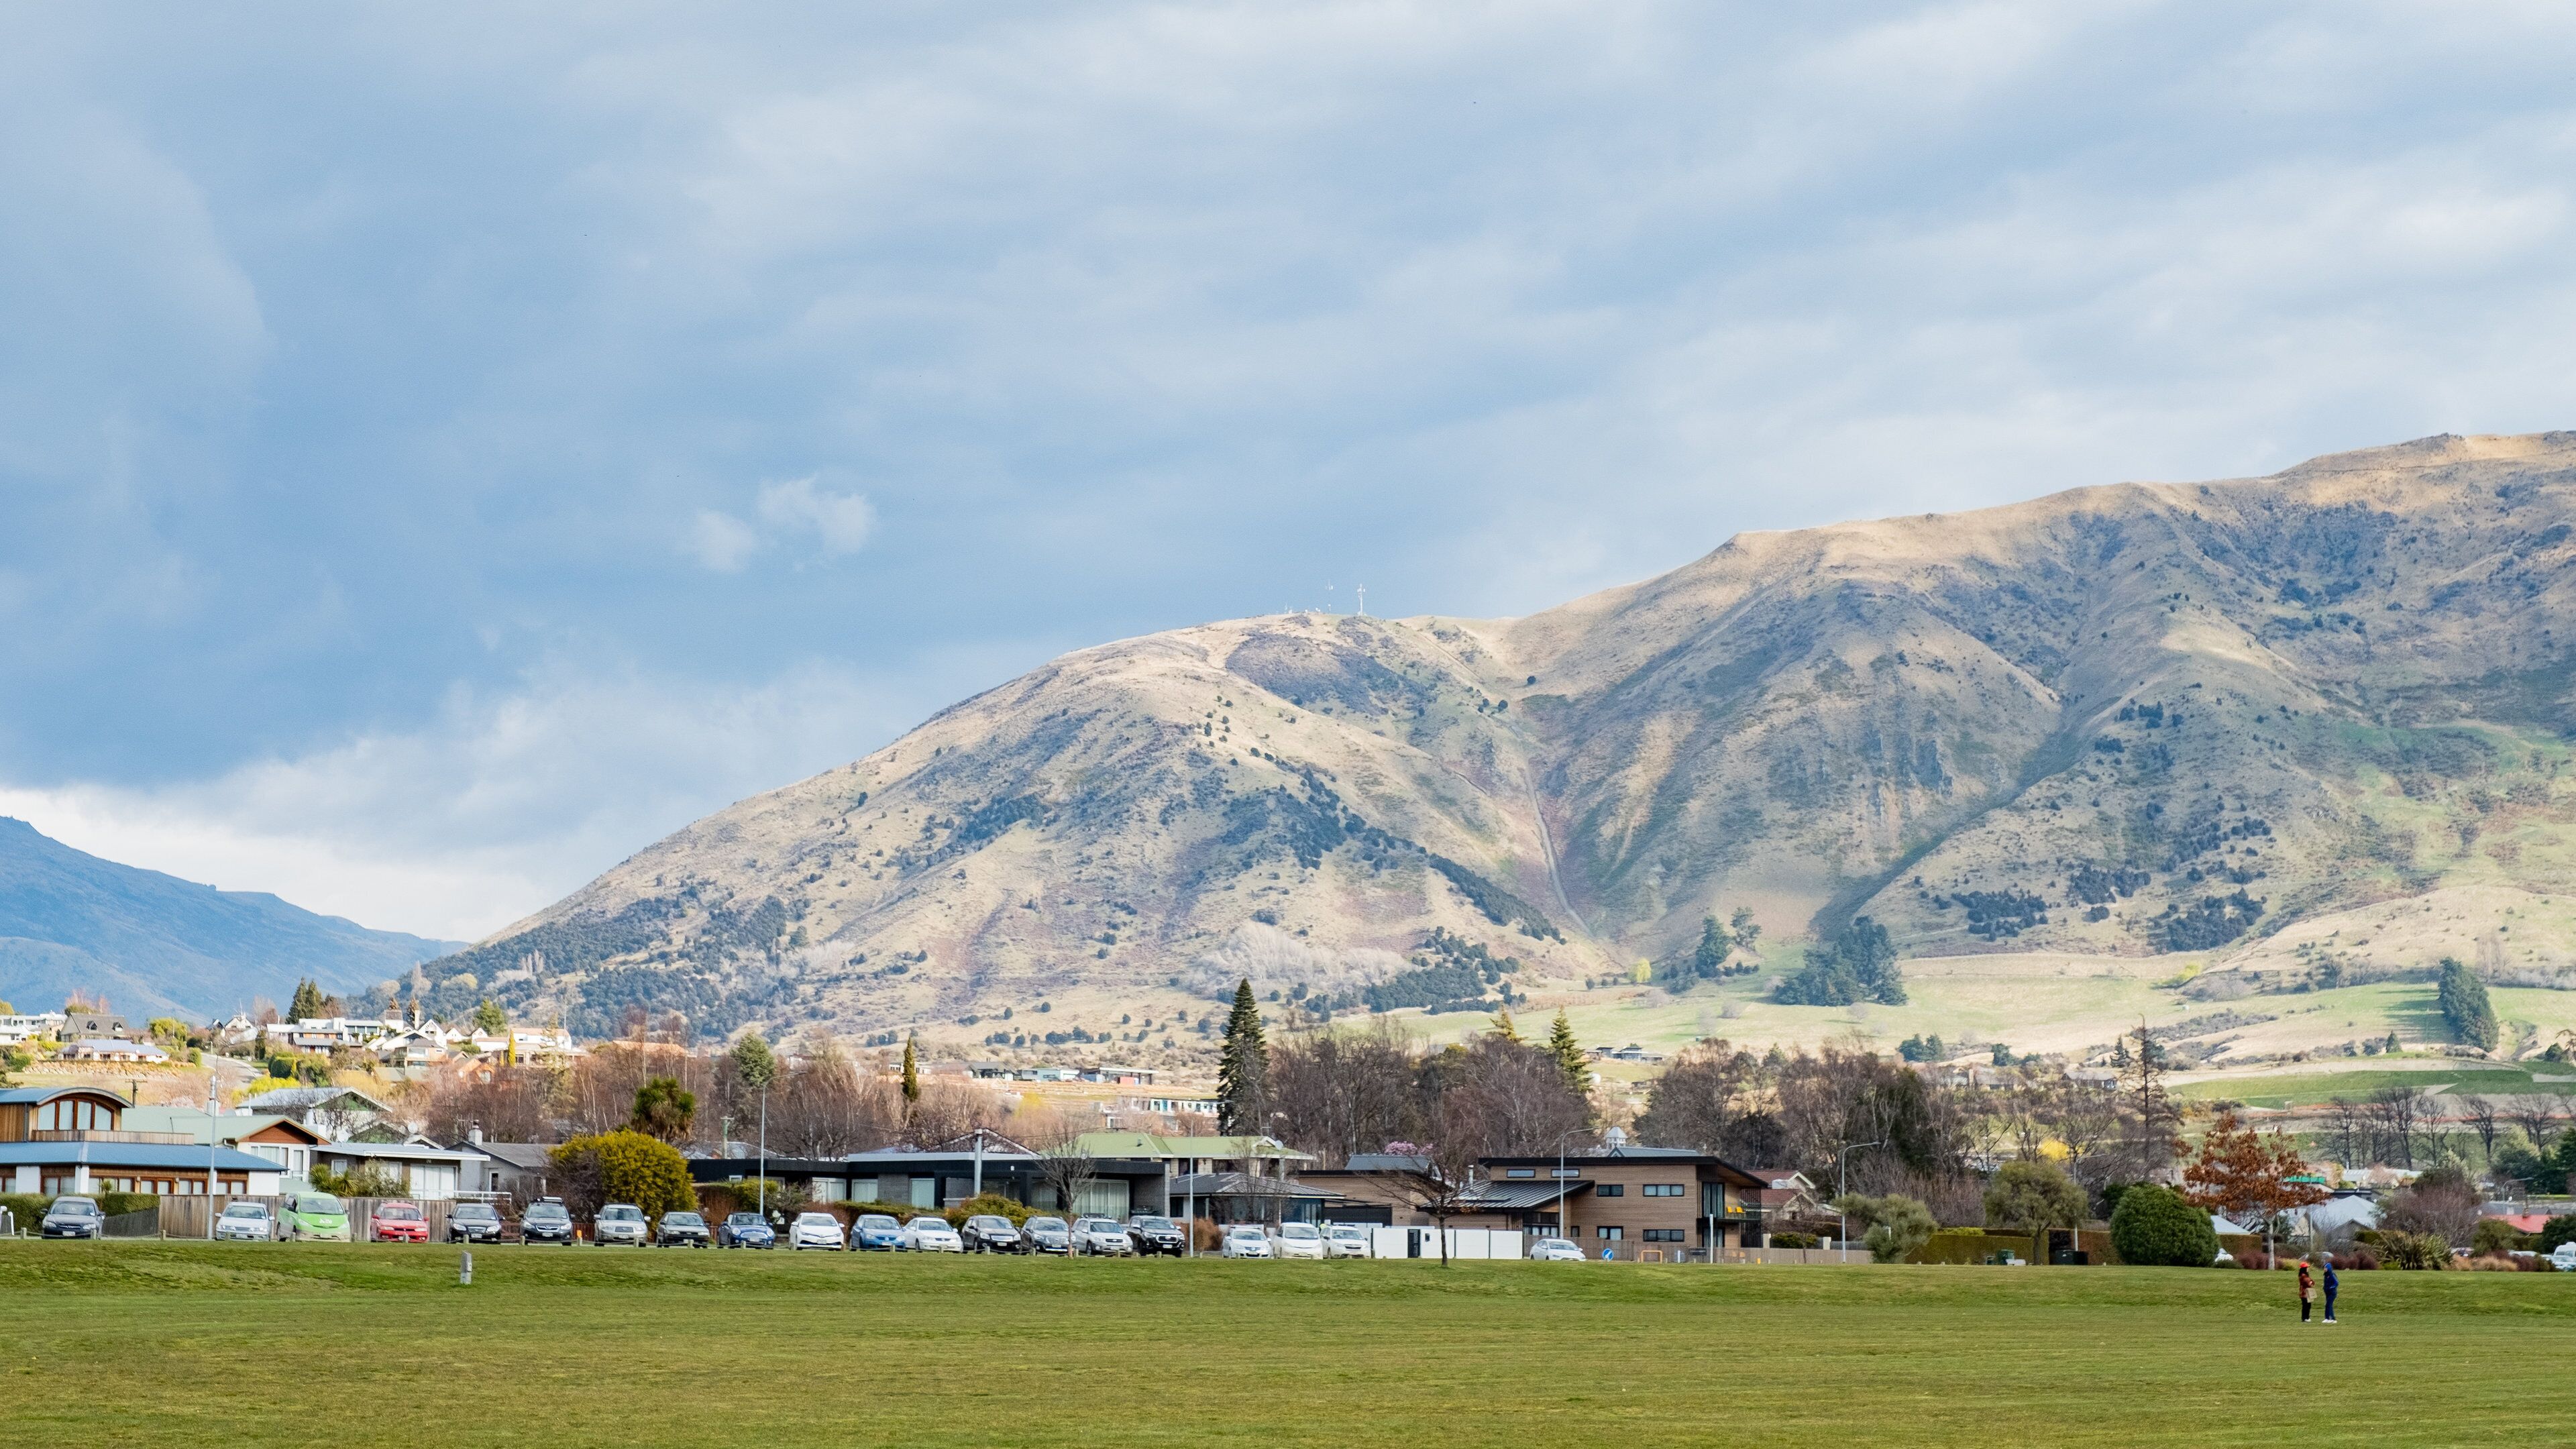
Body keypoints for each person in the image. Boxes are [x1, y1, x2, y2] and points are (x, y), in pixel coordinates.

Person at [2320, 1253, 2339, 1324]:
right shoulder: (2326, 1275)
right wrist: (2324, 1287)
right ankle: (2327, 1318)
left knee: (2329, 1304)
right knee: (2327, 1305)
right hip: (2327, 1292)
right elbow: (2326, 1283)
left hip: (2332, 1293)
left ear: (2329, 1268)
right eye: (2324, 1268)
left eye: (2326, 1268)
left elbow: (2336, 1283)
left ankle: (2332, 1319)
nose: (2324, 1269)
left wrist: (2331, 1288)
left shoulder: (2332, 1275)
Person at [2298, 1258, 2314, 1324]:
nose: (2308, 1269)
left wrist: (2312, 1282)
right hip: (2305, 1294)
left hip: (2304, 1293)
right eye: (2307, 1267)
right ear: (2304, 1269)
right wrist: (2312, 1282)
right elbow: (2310, 1283)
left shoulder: (2302, 1275)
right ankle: (2305, 1318)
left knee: (2306, 1305)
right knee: (2306, 1306)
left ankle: (2306, 1318)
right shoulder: (2304, 1276)